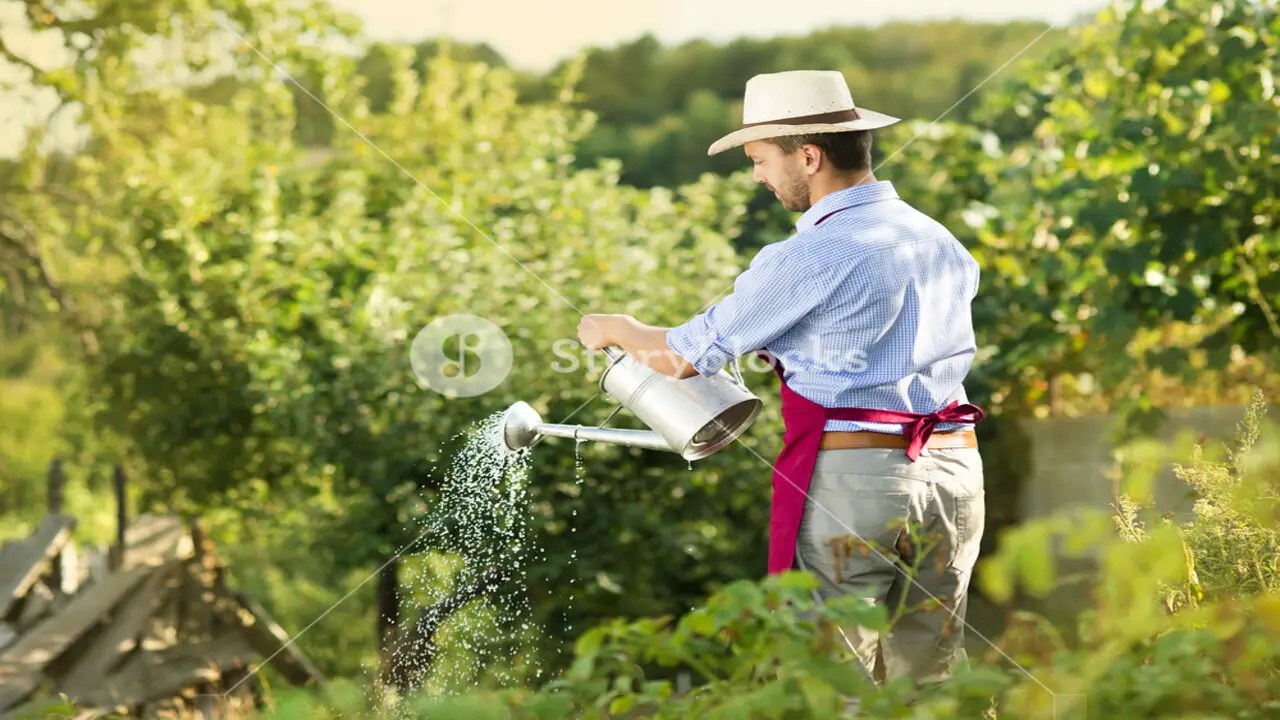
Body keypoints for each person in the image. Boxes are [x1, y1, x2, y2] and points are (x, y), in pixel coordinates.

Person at [576, 70, 985, 685]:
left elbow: (684, 357)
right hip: (955, 474)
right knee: (933, 680)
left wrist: (619, 328)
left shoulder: (808, 254)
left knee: (830, 682)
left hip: (858, 479)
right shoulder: (940, 241)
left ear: (810, 156)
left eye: (761, 159)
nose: (759, 176)